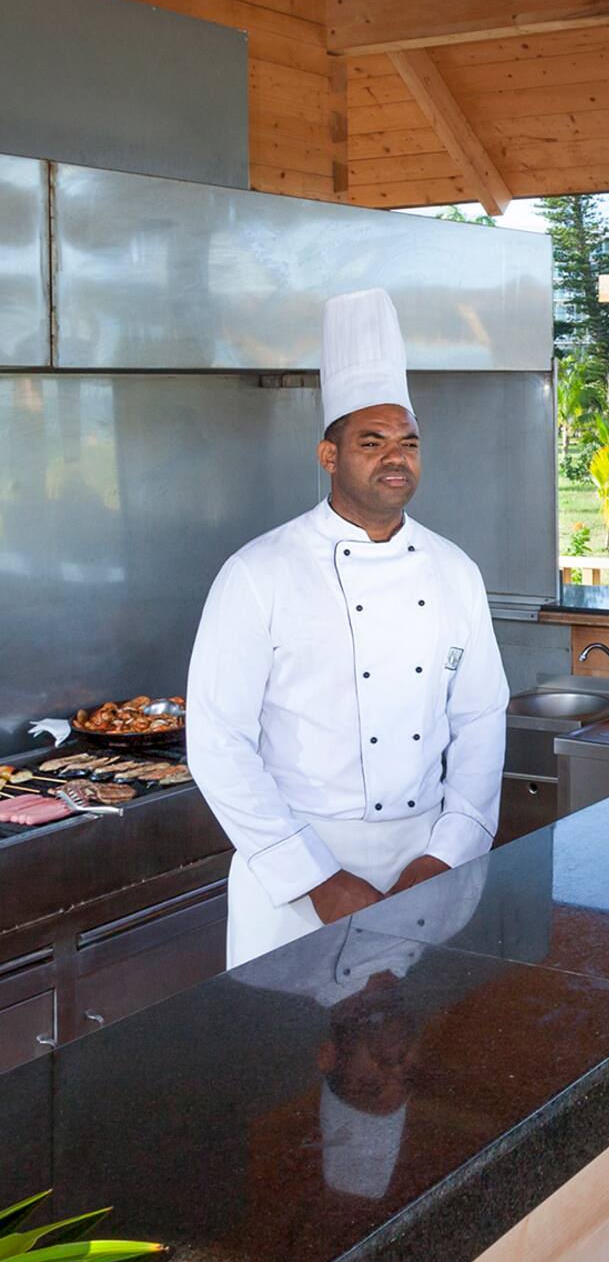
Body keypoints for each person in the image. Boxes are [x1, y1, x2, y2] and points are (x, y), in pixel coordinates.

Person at [188, 287, 509, 968]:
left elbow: (481, 716)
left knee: (402, 1059)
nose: (396, 457)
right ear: (329, 456)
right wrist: (319, 882)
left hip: (422, 869)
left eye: (407, 442)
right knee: (284, 1061)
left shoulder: (454, 571)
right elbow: (218, 742)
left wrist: (448, 852)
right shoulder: (259, 574)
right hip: (295, 868)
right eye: (371, 441)